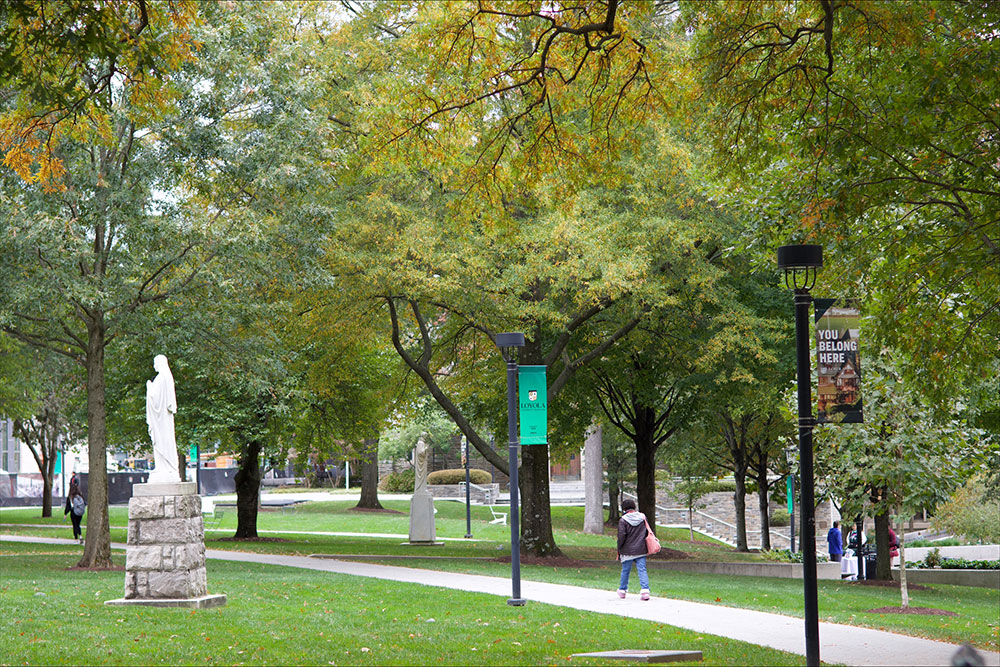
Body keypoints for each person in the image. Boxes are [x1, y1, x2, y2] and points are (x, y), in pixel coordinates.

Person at [146, 354, 180, 483]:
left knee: (162, 441)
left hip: (160, 420)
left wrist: (149, 387)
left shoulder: (161, 378)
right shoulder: (166, 377)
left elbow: (155, 398)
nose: (154, 365)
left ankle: (164, 468)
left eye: (155, 363)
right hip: (162, 419)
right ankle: (162, 467)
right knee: (164, 441)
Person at [616, 498, 651, 601]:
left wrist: (619, 547)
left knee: (625, 570)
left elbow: (621, 535)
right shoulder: (642, 517)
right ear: (634, 507)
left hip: (627, 550)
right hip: (641, 548)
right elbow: (646, 532)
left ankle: (622, 590)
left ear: (624, 508)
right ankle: (645, 590)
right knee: (642, 569)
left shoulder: (623, 520)